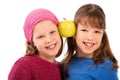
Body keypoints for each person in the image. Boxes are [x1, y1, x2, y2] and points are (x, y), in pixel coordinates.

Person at [61, 3, 119, 80]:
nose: (90, 37)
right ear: (75, 32)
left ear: (102, 34)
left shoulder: (106, 68)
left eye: (97, 32)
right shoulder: (66, 63)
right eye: (84, 30)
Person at [8, 8, 63, 80]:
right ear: (32, 42)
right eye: (40, 36)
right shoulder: (24, 66)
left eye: (52, 32)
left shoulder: (62, 68)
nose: (49, 40)